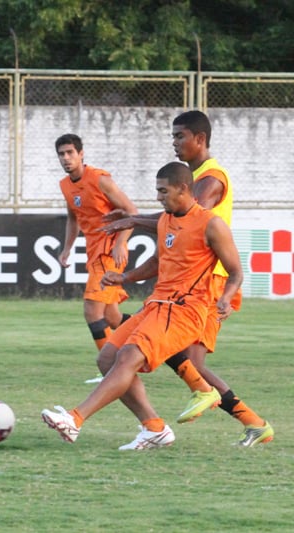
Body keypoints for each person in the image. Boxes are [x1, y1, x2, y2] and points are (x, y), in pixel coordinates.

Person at [101, 111, 273, 448]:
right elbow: (172, 217)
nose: (174, 142)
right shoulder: (193, 176)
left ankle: (245, 419)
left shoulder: (210, 179)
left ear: (200, 139)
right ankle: (252, 422)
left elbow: (186, 218)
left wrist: (133, 219)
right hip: (190, 284)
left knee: (185, 359)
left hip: (209, 283)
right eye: (173, 137)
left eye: (180, 136)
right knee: (177, 354)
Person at [41, 161, 243, 447]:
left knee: (127, 358)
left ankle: (75, 419)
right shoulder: (167, 221)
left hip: (185, 310)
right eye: (157, 191)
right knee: (107, 359)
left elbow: (236, 271)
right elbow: (157, 263)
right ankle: (154, 427)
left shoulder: (211, 224)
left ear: (183, 189)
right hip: (158, 304)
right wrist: (124, 277)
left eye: (163, 191)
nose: (159, 197)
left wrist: (225, 297)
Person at [55, 134, 138, 384]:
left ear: (81, 154)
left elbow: (131, 212)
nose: (66, 158)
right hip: (94, 252)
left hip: (109, 251)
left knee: (92, 310)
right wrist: (67, 248)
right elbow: (73, 217)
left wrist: (121, 242)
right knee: (112, 317)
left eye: (70, 153)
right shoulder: (65, 185)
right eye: (61, 154)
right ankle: (153, 335)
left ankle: (111, 371)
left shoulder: (100, 180)